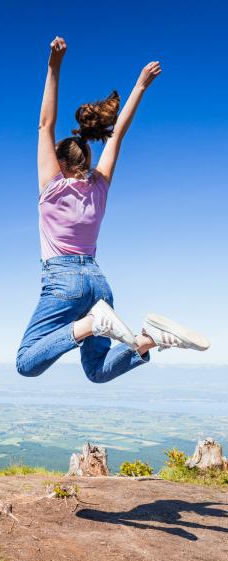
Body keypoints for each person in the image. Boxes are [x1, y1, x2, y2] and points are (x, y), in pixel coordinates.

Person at [16, 36, 209, 383]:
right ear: (86, 160)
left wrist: (53, 64)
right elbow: (117, 134)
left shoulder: (52, 186)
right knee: (98, 372)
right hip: (98, 284)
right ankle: (148, 340)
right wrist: (140, 86)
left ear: (58, 162)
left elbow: (45, 123)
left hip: (64, 282)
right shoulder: (99, 186)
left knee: (26, 362)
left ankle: (91, 324)